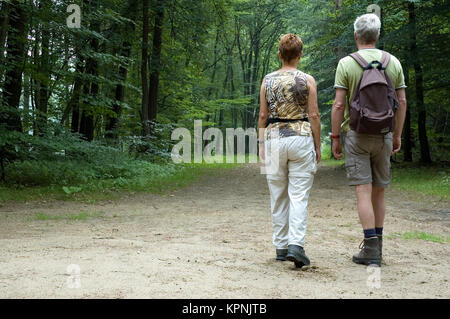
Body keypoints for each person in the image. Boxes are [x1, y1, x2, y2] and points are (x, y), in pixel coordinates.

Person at [331, 13, 407, 266]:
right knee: (379, 192)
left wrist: (335, 138)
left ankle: (370, 249)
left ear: (356, 36)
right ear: (377, 36)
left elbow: (339, 104)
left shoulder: (346, 63)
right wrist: (397, 134)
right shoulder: (392, 62)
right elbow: (402, 101)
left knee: (363, 192)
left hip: (357, 134)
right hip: (384, 134)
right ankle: (379, 247)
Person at [258, 34, 321, 268]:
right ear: (300, 55)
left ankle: (281, 247)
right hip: (301, 138)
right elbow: (314, 115)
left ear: (279, 54)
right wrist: (317, 144)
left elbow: (263, 116)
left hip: (274, 137)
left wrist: (261, 143)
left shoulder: (267, 80)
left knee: (277, 194)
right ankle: (297, 245)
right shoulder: (307, 80)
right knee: (298, 195)